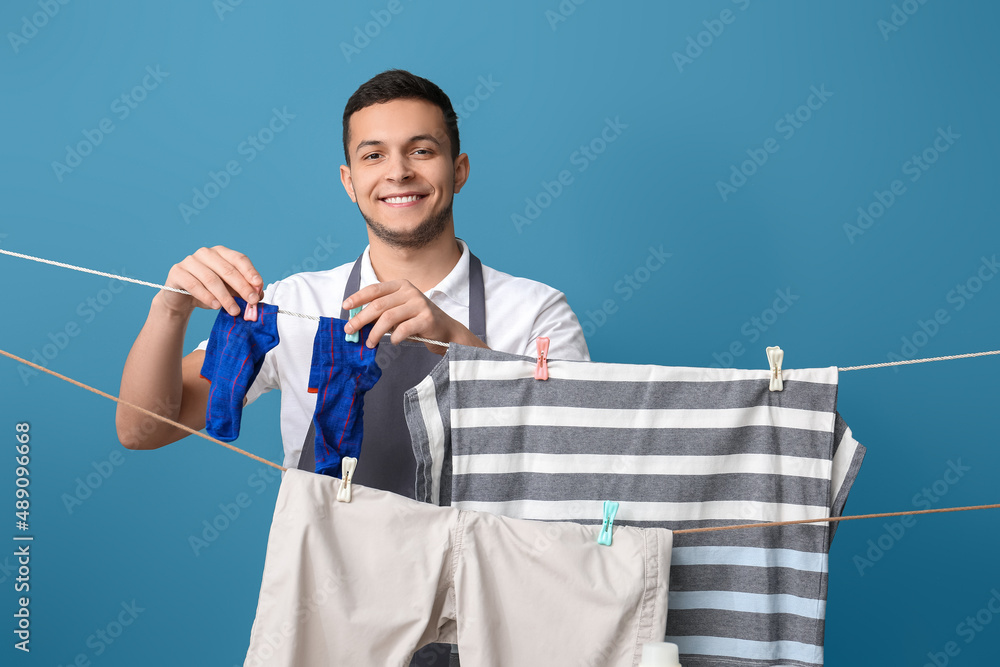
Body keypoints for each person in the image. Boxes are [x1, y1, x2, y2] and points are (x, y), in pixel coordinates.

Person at [116, 68, 589, 664]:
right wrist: (170, 308)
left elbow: (576, 465)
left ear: (459, 170)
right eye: (374, 155)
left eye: (422, 150)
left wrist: (452, 339)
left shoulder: (535, 310)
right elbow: (142, 429)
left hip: (492, 614)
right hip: (330, 614)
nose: (398, 172)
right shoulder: (296, 305)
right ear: (349, 180)